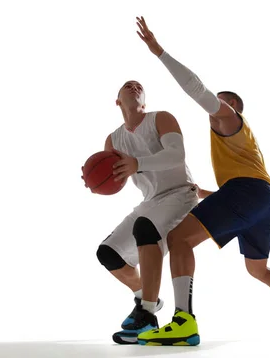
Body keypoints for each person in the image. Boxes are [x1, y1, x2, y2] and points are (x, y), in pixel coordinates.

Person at [128, 17, 270, 346]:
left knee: (179, 239)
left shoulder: (229, 117)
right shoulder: (234, 139)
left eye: (220, 99)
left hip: (248, 192)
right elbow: (243, 183)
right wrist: (206, 193)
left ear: (233, 105)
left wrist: (159, 52)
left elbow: (197, 90)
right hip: (264, 197)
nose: (213, 104)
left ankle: (183, 321)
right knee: (258, 269)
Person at [90, 79, 199, 344]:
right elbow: (113, 179)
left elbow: (176, 155)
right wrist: (95, 183)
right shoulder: (113, 140)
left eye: (139, 87)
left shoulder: (161, 118)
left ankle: (147, 315)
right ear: (117, 101)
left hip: (181, 193)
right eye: (127, 86)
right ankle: (145, 297)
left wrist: (137, 163)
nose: (134, 86)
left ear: (144, 102)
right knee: (108, 253)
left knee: (145, 228)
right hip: (151, 200)